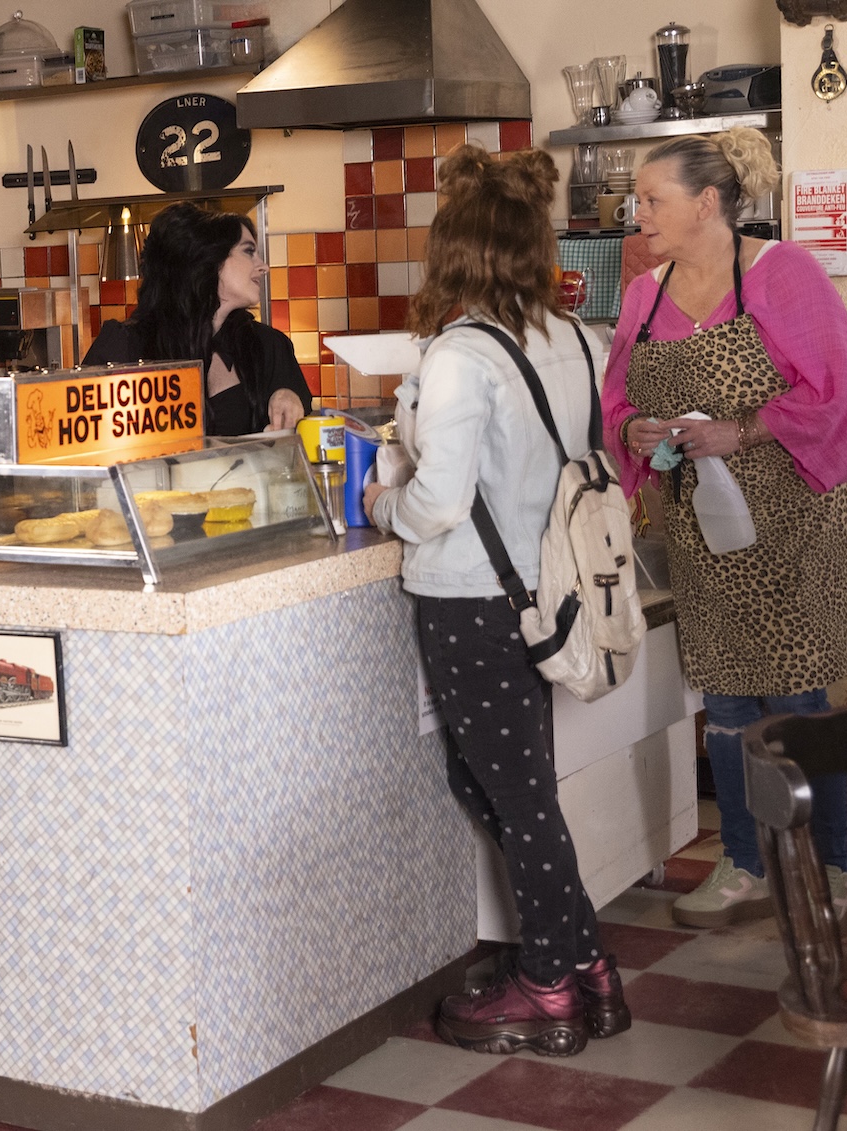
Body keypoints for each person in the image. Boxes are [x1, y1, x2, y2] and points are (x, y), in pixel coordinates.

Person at [362, 146, 626, 1057]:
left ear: (453, 251)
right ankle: (587, 963)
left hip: (472, 598)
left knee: (513, 795)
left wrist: (379, 503)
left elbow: (434, 502)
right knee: (514, 787)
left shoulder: (459, 355)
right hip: (544, 594)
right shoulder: (576, 340)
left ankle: (547, 984)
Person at [601, 128, 847, 930]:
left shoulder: (779, 272)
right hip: (701, 529)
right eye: (638, 200)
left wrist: (741, 428)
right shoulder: (641, 295)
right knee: (722, 699)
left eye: (653, 199)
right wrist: (636, 432)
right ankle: (743, 862)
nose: (639, 213)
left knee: (796, 699)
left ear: (708, 203)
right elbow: (616, 399)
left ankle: (834, 863)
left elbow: (834, 392)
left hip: (794, 526)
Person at [82, 203, 311, 435]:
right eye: (248, 251)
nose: (264, 266)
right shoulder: (123, 347)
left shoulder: (269, 346)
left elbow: (301, 435)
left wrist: (290, 396)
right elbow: (86, 439)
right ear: (208, 261)